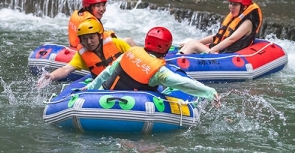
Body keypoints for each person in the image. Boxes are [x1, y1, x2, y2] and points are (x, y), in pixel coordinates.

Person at [80, 27, 220, 106]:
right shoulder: (159, 71)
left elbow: (107, 73)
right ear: (166, 49)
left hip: (104, 97)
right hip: (136, 106)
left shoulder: (129, 52)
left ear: (146, 41)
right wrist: (209, 92)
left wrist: (90, 87)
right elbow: (183, 83)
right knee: (162, 88)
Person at [36, 18, 131, 88]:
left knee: (128, 40)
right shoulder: (82, 54)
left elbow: (136, 57)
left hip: (125, 79)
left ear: (100, 36)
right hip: (103, 84)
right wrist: (52, 76)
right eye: (84, 39)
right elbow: (66, 69)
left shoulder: (116, 43)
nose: (89, 42)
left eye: (92, 37)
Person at [179, 0, 262, 55]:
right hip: (220, 51)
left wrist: (212, 50)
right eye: (230, 3)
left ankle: (176, 60)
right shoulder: (234, 18)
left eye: (235, 5)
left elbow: (231, 39)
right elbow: (218, 36)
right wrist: (197, 42)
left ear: (244, 7)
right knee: (189, 40)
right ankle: (178, 56)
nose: (231, 7)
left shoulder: (247, 23)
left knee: (193, 45)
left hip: (226, 55)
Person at [68, 0, 136, 48]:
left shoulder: (80, 14)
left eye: (103, 5)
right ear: (88, 8)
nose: (102, 9)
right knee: (129, 41)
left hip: (75, 47)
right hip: (88, 50)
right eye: (98, 6)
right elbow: (97, 42)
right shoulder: (90, 23)